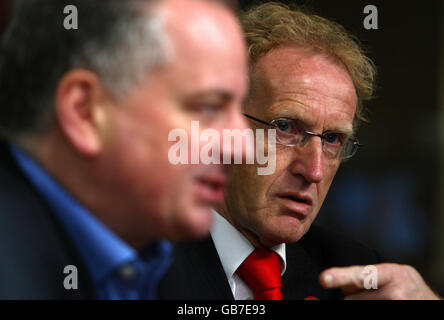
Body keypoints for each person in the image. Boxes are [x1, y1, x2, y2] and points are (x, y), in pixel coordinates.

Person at [159, 2, 442, 300]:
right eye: (285, 127)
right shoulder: (140, 259)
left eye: (332, 138)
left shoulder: (358, 274)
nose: (314, 171)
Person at [0, 0, 249, 299]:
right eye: (209, 107)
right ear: (86, 113)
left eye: (240, 110)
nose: (243, 149)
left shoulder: (155, 252)